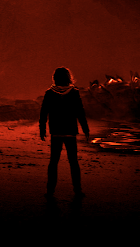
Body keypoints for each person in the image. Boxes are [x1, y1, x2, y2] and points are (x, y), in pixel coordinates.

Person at [39, 66, 90, 199]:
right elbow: (80, 112)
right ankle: (77, 190)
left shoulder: (49, 93)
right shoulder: (74, 92)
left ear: (55, 78)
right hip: (70, 131)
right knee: (73, 162)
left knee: (53, 162)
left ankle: (50, 191)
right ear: (68, 78)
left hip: (56, 131)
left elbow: (44, 113)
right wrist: (85, 129)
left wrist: (42, 129)